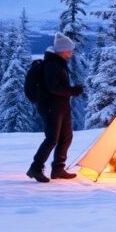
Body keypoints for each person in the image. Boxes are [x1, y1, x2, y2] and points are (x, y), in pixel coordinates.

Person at [27, 32, 84, 182]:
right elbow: (54, 88)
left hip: (62, 107)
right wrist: (73, 91)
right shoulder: (52, 65)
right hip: (51, 107)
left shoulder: (59, 63)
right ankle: (36, 168)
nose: (71, 53)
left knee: (66, 137)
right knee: (52, 138)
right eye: (69, 50)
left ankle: (58, 169)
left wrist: (71, 91)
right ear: (61, 50)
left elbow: (58, 87)